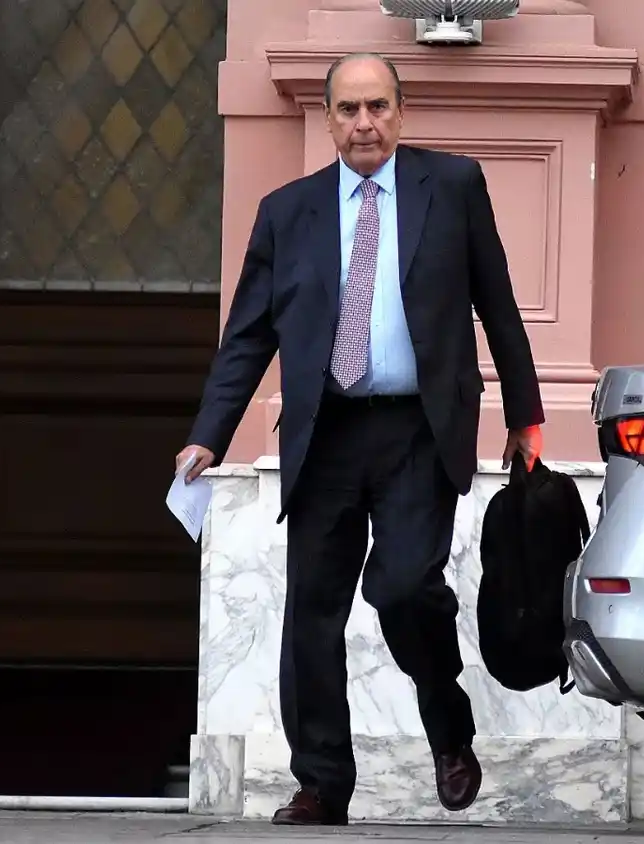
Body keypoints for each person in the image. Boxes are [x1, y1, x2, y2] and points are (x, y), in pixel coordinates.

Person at [175, 53, 544, 826]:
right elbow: (248, 335)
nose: (365, 123)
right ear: (328, 119)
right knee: (313, 613)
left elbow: (499, 304)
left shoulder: (452, 187)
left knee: (404, 587)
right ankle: (321, 784)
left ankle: (447, 724)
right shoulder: (288, 212)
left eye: (378, 106)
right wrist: (210, 434)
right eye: (349, 109)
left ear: (401, 113)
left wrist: (526, 415)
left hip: (419, 428)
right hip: (327, 431)